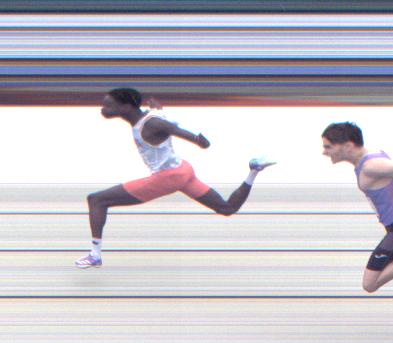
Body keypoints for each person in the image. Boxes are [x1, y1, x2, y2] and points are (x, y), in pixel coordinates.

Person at [76, 88, 274, 268]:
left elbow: (170, 128)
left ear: (126, 107)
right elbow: (160, 115)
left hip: (166, 178)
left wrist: (197, 140)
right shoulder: (149, 116)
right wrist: (157, 107)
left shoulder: (151, 123)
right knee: (227, 208)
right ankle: (254, 170)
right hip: (183, 171)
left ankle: (95, 255)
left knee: (96, 200)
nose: (103, 109)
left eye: (108, 106)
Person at [321, 122, 393, 307]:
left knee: (370, 283)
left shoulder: (372, 166)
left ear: (348, 146)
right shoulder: (375, 156)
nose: (324, 152)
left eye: (328, 147)